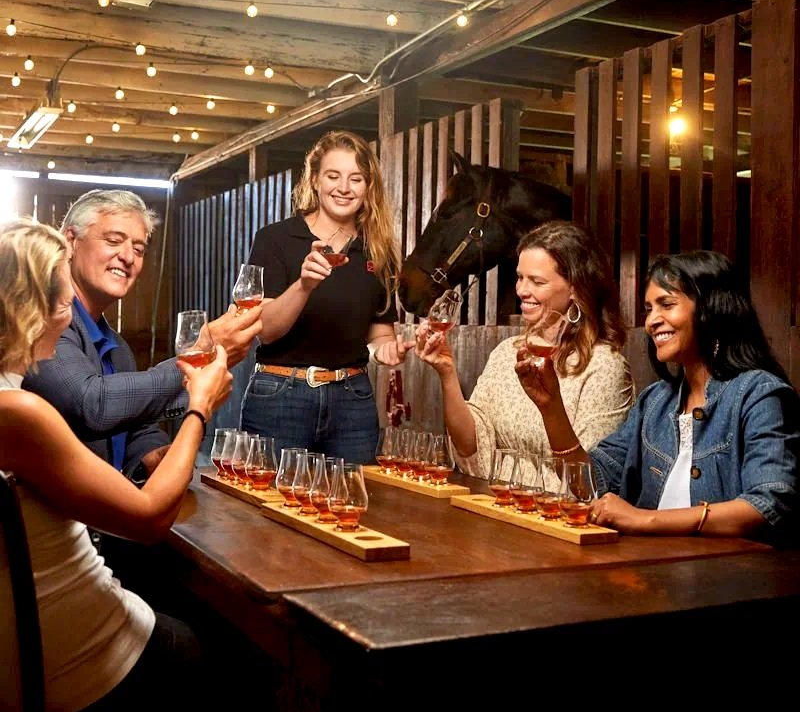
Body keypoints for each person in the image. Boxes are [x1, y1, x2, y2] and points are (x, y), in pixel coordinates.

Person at [0, 218, 233, 712]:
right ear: (28, 310)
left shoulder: (16, 397)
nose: (66, 321)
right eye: (63, 304)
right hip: (74, 653)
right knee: (213, 646)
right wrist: (199, 407)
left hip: (43, 623)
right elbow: (149, 517)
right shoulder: (16, 412)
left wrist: (157, 448)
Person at [519, 250, 800, 543]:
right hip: (653, 572)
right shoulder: (655, 401)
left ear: (711, 310)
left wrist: (643, 518)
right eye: (649, 308)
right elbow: (591, 483)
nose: (652, 320)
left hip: (729, 578)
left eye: (666, 304)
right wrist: (551, 408)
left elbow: (768, 504)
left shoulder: (759, 394)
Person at [22, 188, 263, 482]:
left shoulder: (118, 347)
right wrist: (196, 359)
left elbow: (135, 426)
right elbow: (92, 405)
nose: (127, 257)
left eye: (138, 249)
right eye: (113, 241)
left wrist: (150, 453)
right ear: (71, 241)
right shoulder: (44, 321)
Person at [415, 220, 634, 478]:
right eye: (520, 277)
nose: (522, 290)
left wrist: (550, 407)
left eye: (537, 281)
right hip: (497, 503)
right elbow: (470, 448)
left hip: (553, 514)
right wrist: (447, 373)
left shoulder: (604, 367)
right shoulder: (507, 352)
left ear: (576, 287)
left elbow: (587, 480)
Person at [241, 130, 409, 464]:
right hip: (280, 394)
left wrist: (386, 351)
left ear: (368, 187)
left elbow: (378, 336)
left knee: (349, 507)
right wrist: (303, 285)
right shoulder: (276, 239)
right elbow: (266, 330)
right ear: (315, 180)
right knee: (270, 510)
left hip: (353, 401)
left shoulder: (378, 251)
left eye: (356, 178)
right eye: (333, 176)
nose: (344, 188)